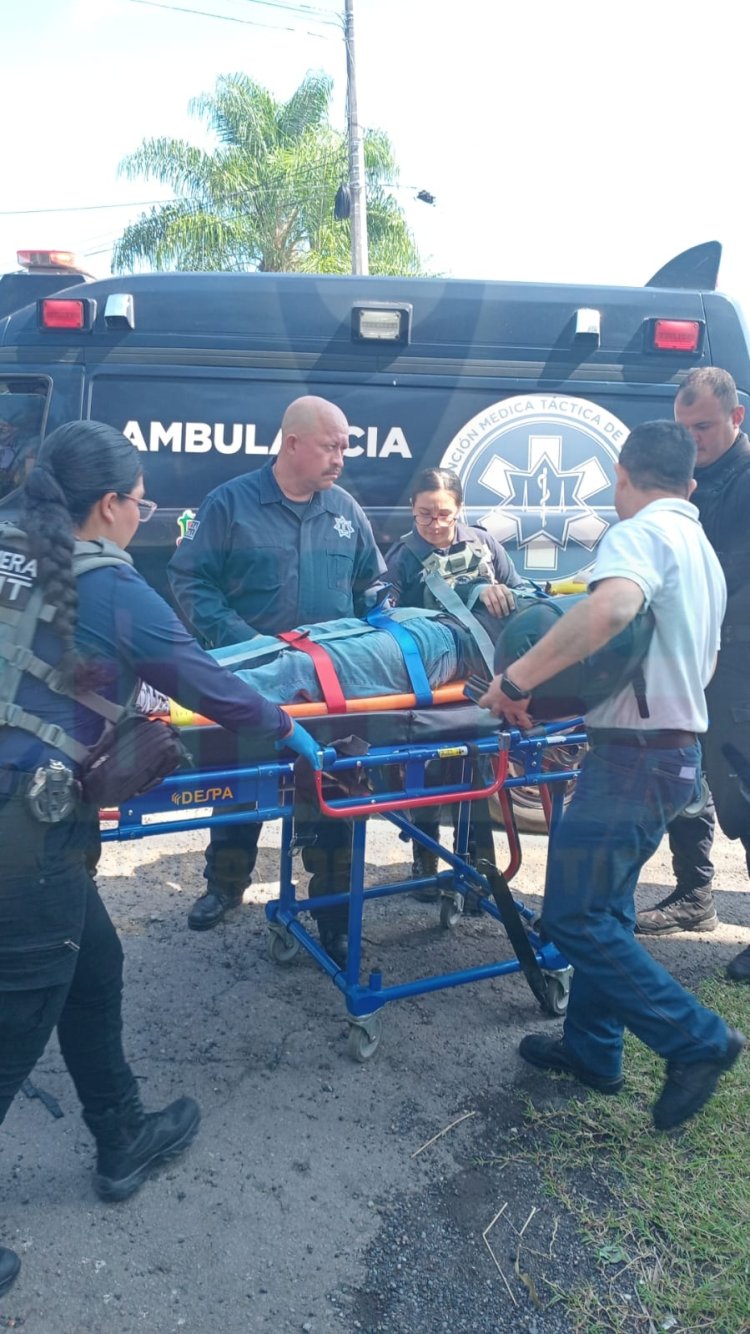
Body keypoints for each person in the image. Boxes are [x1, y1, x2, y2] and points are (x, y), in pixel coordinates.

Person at [0, 421, 321, 1298]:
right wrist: (288, 728)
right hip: (22, 843)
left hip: (25, 839)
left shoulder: (7, 546)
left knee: (93, 968)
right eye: (142, 503)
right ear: (108, 505)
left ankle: (120, 1134)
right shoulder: (107, 586)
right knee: (13, 1029)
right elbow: (208, 684)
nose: (145, 516)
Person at [480, 420, 744, 1131]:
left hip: (634, 756)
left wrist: (518, 677)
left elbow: (612, 608)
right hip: (673, 751)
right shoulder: (702, 551)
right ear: (689, 481)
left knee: (575, 915)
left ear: (623, 476)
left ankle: (696, 1039)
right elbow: (701, 658)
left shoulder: (640, 533)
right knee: (609, 909)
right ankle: (593, 1049)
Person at [168, 395, 386, 964]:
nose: (342, 457)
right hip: (253, 688)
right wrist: (246, 645)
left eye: (345, 446)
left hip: (329, 694)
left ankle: (333, 916)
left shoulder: (345, 509)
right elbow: (191, 580)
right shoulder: (230, 505)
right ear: (292, 443)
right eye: (331, 445)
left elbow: (372, 589)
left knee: (331, 798)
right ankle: (225, 886)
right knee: (240, 793)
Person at [635, 369, 750, 982]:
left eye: (703, 426)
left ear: (736, 418)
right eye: (684, 428)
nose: (692, 437)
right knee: (692, 779)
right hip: (694, 657)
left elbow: (725, 572)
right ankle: (696, 896)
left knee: (745, 789)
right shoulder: (693, 481)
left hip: (740, 664)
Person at [385, 467, 529, 898]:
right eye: (424, 515)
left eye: (443, 515)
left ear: (459, 510)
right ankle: (425, 862)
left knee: (476, 767)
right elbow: (383, 615)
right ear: (412, 509)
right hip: (430, 683)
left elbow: (520, 593)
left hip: (482, 681)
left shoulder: (484, 544)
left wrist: (499, 594)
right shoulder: (404, 557)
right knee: (428, 767)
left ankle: (478, 865)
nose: (434, 524)